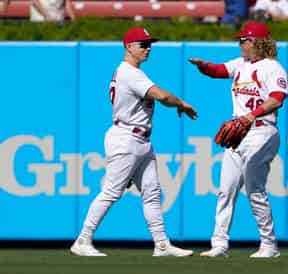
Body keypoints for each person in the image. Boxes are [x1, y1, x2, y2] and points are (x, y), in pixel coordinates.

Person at [70, 27, 198, 257]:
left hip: (140, 139)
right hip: (126, 137)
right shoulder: (130, 73)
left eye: (150, 44)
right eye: (143, 44)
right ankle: (83, 239)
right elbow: (162, 96)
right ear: (129, 46)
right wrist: (181, 103)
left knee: (151, 193)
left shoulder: (131, 72)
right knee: (111, 192)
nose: (148, 48)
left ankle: (161, 244)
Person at [189, 21, 288, 258]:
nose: (240, 43)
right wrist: (203, 66)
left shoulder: (273, 68)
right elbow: (218, 70)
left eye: (243, 40)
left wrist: (249, 117)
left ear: (257, 42)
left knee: (255, 189)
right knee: (226, 190)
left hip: (262, 131)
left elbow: (276, 99)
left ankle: (268, 245)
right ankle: (219, 244)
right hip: (239, 132)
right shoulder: (241, 64)